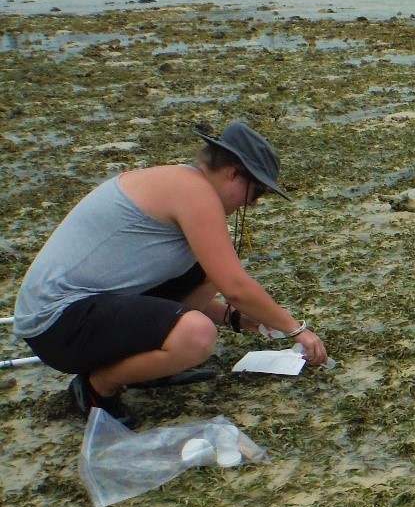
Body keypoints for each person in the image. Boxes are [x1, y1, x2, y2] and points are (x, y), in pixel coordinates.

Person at [13, 119, 329, 426]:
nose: (253, 205)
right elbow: (235, 287)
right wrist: (296, 330)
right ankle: (98, 387)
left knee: (204, 272)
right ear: (234, 174)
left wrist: (234, 317)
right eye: (257, 192)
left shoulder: (184, 183)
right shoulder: (193, 191)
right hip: (55, 321)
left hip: (82, 308)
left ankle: (148, 369)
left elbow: (201, 289)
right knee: (197, 335)